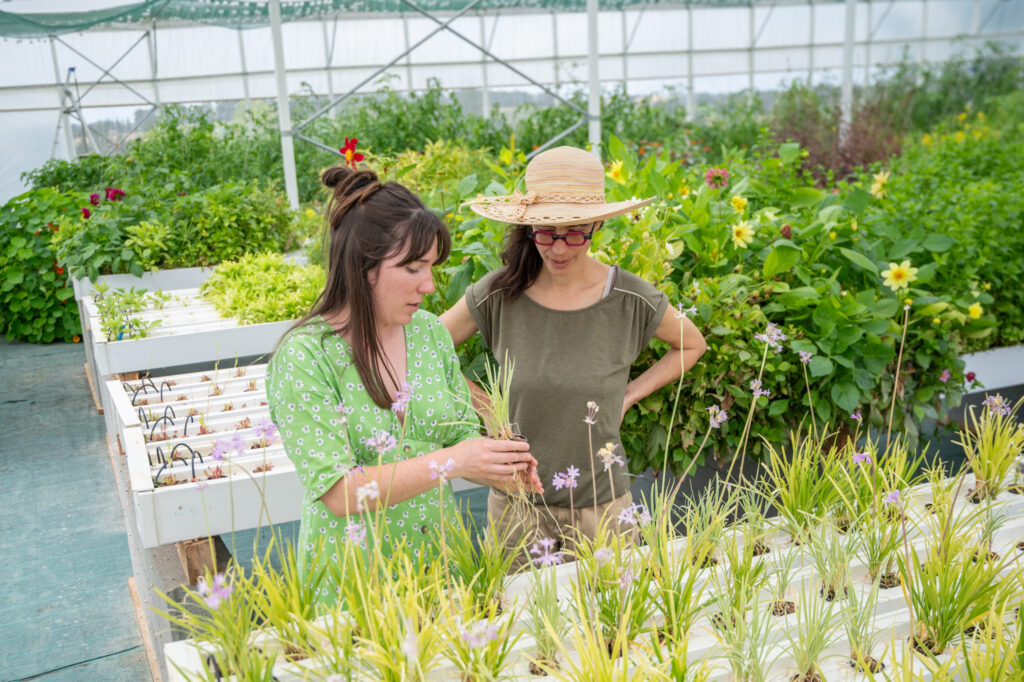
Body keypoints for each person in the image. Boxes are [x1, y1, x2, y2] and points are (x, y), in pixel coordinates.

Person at [266, 166, 541, 605]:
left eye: (431, 267)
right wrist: (452, 462)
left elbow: (459, 434)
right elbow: (340, 492)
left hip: (441, 567)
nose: (429, 285)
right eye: (413, 267)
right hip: (353, 583)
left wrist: (497, 466)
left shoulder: (429, 335)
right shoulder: (305, 358)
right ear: (363, 266)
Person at [441, 146, 707, 564]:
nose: (559, 249)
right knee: (523, 623)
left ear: (598, 224)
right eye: (546, 233)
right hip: (518, 507)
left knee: (612, 625)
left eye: (576, 232)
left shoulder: (629, 298)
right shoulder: (499, 293)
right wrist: (485, 405)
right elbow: (424, 350)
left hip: (601, 506)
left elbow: (692, 344)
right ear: (528, 227)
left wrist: (630, 395)